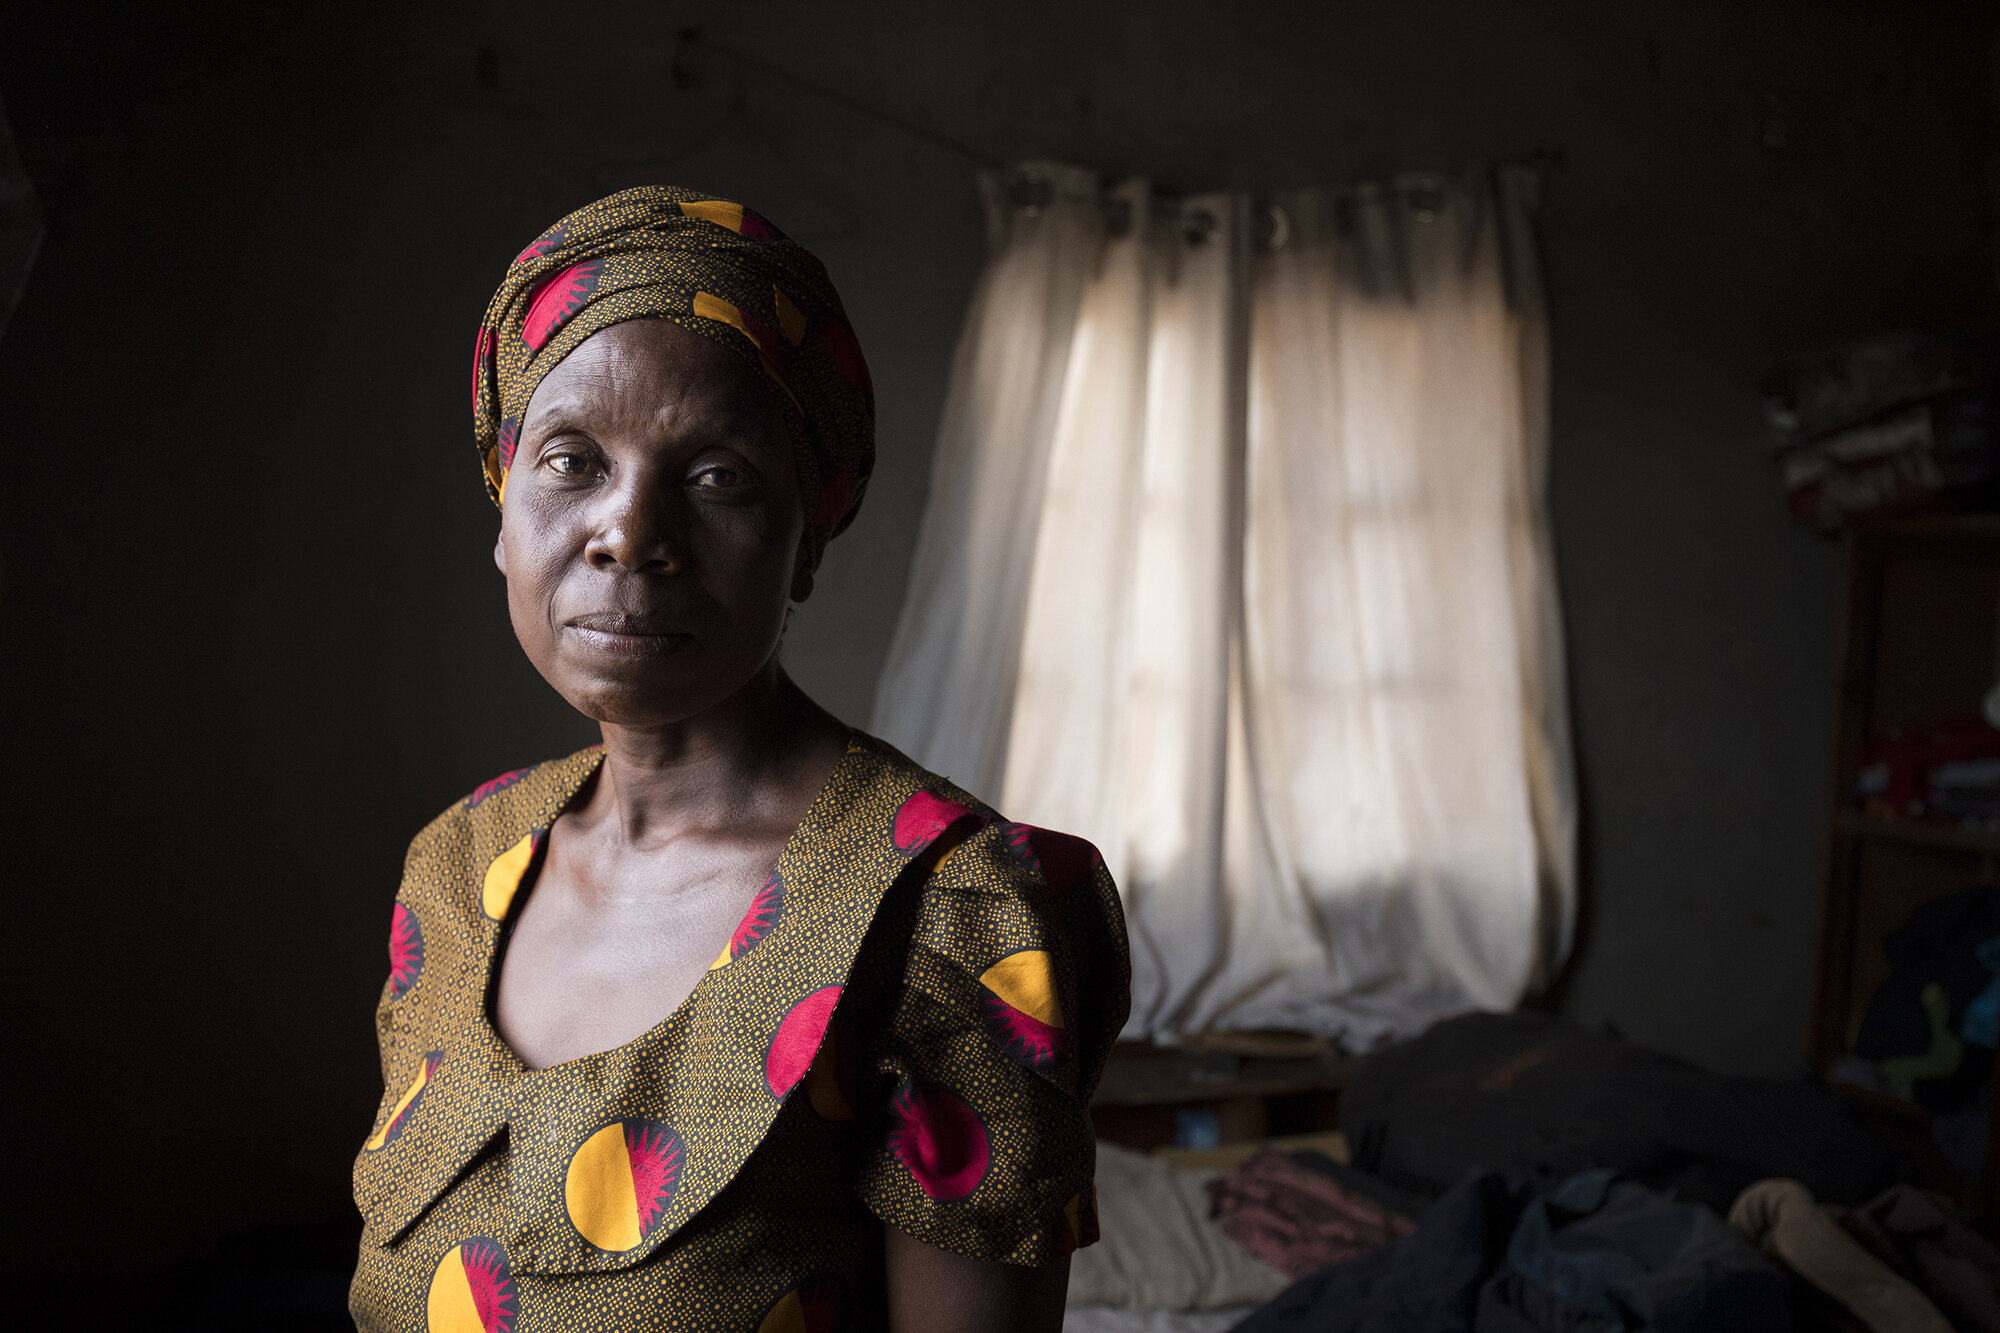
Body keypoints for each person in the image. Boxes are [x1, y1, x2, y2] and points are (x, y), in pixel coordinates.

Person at [347, 186, 1130, 1333]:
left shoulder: (942, 911)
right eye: (570, 460)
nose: (628, 530)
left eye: (718, 476)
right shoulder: (456, 867)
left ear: (808, 531)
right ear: (501, 507)